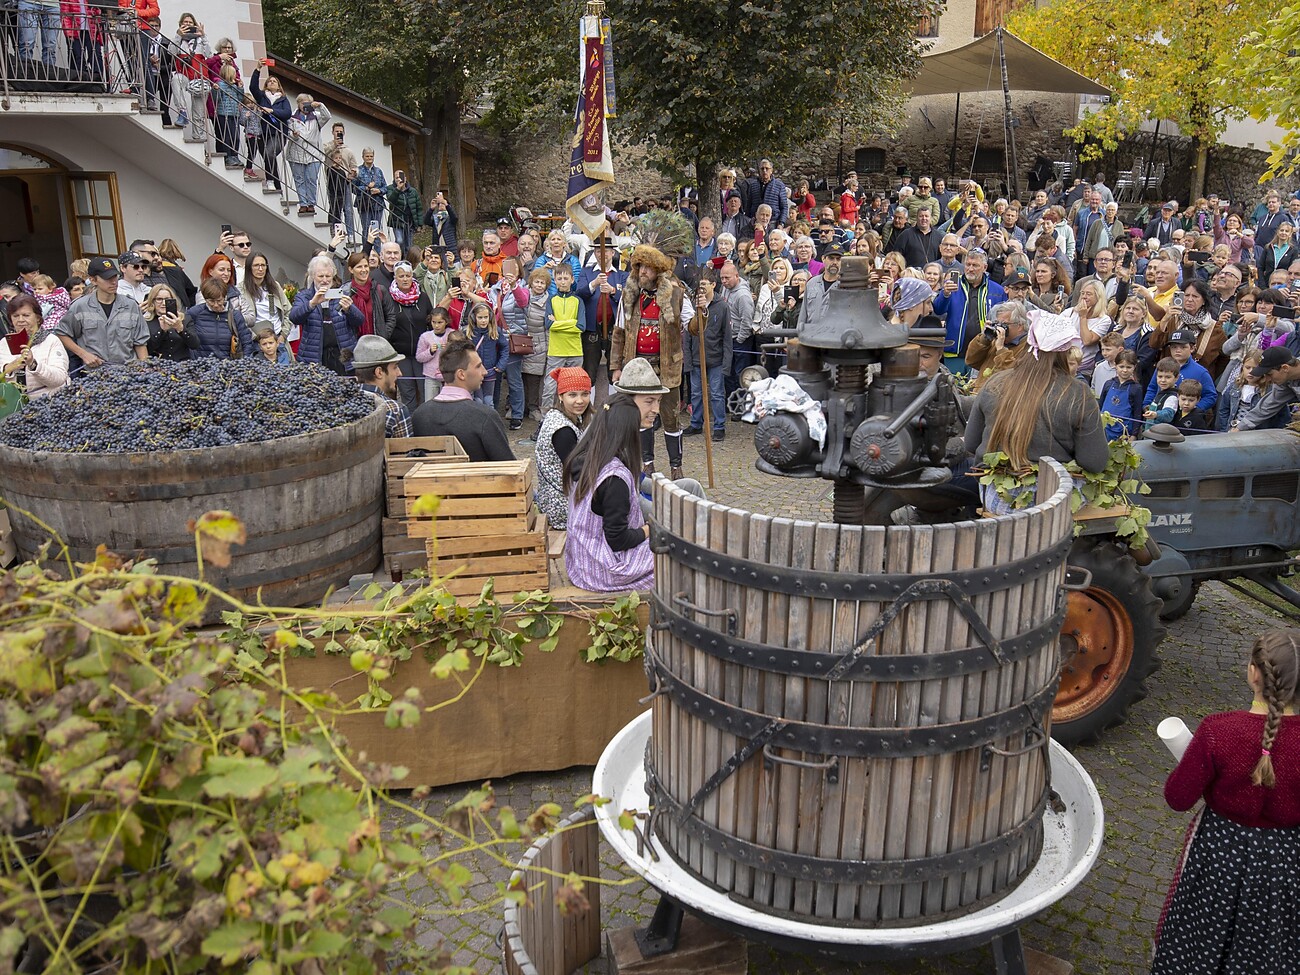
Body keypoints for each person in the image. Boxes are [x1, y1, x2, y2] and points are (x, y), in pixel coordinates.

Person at [1150, 629, 1300, 974]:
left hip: (1219, 853)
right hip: (1285, 861)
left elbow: (1178, 797)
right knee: (1269, 943)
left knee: (1199, 934)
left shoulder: (1219, 730)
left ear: (1253, 673)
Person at [964, 310, 1108, 515]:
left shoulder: (995, 383)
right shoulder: (1078, 393)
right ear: (1066, 351)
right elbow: (1095, 462)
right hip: (1054, 501)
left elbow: (971, 444)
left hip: (997, 498)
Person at [610, 245, 696, 480]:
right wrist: (616, 366)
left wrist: (702, 313)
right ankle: (647, 464)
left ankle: (676, 467)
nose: (642, 272)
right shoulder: (629, 295)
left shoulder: (676, 295)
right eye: (639, 266)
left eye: (648, 267)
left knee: (670, 418)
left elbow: (693, 327)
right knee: (642, 417)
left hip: (667, 368)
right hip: (638, 368)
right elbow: (619, 332)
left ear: (658, 270)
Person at [562, 395, 656, 592]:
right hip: (604, 570)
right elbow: (618, 539)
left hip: (582, 562)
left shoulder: (585, 458)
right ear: (627, 431)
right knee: (676, 556)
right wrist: (650, 529)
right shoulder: (614, 478)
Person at [411, 335, 515, 461]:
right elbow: (509, 465)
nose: (485, 371)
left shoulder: (419, 415)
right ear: (461, 374)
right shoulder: (484, 416)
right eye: (478, 366)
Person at [55, 257, 149, 367]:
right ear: (93, 280)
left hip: (127, 370)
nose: (114, 282)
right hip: (95, 372)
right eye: (107, 278)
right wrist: (84, 355)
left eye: (115, 276)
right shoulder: (80, 306)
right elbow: (62, 333)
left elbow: (140, 342)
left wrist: (145, 368)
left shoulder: (131, 305)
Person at [535, 366, 594, 530]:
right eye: (572, 395)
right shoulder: (563, 431)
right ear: (561, 396)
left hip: (559, 497)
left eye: (585, 394)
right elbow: (579, 472)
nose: (580, 400)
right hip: (562, 506)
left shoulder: (559, 415)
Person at [933, 248, 1006, 374]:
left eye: (975, 265)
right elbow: (938, 310)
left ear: (984, 267)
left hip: (984, 353)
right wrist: (945, 294)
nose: (970, 269)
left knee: (978, 386)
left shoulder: (998, 290)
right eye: (968, 265)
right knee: (954, 385)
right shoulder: (952, 285)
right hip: (956, 353)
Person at [289, 254, 360, 373]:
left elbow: (359, 321)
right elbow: (294, 317)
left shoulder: (340, 294)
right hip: (314, 356)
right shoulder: (304, 296)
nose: (325, 280)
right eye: (320, 276)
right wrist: (312, 303)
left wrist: (349, 310)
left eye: (328, 276)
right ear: (312, 276)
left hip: (342, 357)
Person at [683, 276, 731, 441]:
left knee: (717, 394)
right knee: (696, 394)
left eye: (704, 283)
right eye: (699, 284)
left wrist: (726, 364)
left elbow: (727, 337)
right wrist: (688, 361)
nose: (701, 287)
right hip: (696, 358)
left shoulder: (722, 307)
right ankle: (696, 423)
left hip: (716, 359)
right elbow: (687, 336)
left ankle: (719, 426)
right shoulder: (692, 306)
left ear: (713, 285)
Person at [0, 295, 68, 399]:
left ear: (37, 318)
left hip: (49, 401)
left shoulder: (51, 341)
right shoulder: (4, 343)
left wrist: (33, 364)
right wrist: (7, 369)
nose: (20, 320)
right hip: (14, 404)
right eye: (15, 316)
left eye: (26, 315)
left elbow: (59, 379)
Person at [540, 263, 586, 410]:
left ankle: (573, 415)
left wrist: (558, 323)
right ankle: (546, 416)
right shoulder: (551, 300)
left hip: (575, 351)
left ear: (572, 279)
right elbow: (549, 325)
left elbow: (581, 326)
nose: (563, 282)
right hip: (556, 351)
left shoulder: (578, 301)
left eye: (566, 278)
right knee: (550, 387)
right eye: (559, 278)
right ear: (555, 280)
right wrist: (571, 323)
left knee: (574, 387)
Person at [352, 334, 412, 438]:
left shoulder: (340, 405)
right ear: (379, 372)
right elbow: (407, 449)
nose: (400, 373)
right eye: (395, 367)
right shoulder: (396, 410)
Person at [1147, 329, 1217, 412]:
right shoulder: (1163, 367)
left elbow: (1210, 396)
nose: (1177, 350)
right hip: (1159, 413)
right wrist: (1147, 405)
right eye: (1174, 347)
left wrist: (1195, 409)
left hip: (1185, 416)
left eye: (1183, 347)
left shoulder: (1200, 372)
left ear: (1192, 348)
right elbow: (1152, 388)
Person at [185, 277, 253, 359]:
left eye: (219, 300)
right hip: (201, 363)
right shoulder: (195, 313)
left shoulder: (235, 315)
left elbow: (246, 341)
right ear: (205, 298)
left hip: (228, 364)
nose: (216, 305)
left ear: (225, 297)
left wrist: (245, 361)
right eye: (211, 301)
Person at [249, 61, 291, 193]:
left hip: (278, 133)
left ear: (278, 86)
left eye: (274, 81)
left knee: (268, 154)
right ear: (266, 85)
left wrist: (271, 111)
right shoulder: (262, 96)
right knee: (269, 159)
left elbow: (287, 113)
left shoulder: (283, 99)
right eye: (269, 81)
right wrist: (258, 69)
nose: (272, 82)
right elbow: (253, 87)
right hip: (263, 133)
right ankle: (278, 188)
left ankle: (270, 181)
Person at [1235, 347, 1300, 431]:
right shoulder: (1285, 380)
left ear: (1285, 368)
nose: (1267, 379)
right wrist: (1239, 428)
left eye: (1269, 374)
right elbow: (1269, 404)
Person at [287, 94, 330, 216]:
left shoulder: (316, 116)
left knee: (311, 179)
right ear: (298, 104)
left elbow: (327, 116)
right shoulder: (292, 117)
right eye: (302, 103)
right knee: (299, 180)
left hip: (314, 154)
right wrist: (294, 135)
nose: (304, 106)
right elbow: (288, 132)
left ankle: (311, 203)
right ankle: (303, 204)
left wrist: (319, 105)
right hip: (296, 153)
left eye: (307, 103)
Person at [236, 252, 290, 341]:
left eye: (263, 265)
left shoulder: (275, 286)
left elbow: (288, 311)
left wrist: (283, 335)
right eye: (256, 265)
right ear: (249, 268)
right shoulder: (241, 289)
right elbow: (238, 319)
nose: (260, 269)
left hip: (278, 338)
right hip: (256, 340)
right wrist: (255, 338)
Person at [463, 300, 508, 407]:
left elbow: (505, 347)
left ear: (490, 317)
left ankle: (490, 418)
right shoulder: (468, 333)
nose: (483, 320)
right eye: (480, 317)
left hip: (490, 372)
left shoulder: (495, 331)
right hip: (474, 372)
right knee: (478, 401)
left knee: (489, 401)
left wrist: (501, 365)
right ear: (474, 318)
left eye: (486, 317)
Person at [143, 283, 196, 361]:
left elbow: (195, 345)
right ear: (152, 301)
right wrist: (162, 331)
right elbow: (148, 349)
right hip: (158, 364)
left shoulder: (185, 319)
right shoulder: (146, 322)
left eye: (167, 299)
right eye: (159, 299)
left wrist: (181, 329)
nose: (164, 303)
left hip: (183, 364)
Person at [1099, 349, 1143, 439]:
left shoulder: (1136, 388)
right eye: (1121, 366)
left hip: (1123, 433)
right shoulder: (1108, 384)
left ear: (1134, 367)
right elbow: (1100, 406)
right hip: (1104, 430)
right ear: (1115, 365)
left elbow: (1137, 413)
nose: (1125, 370)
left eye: (1129, 367)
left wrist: (1134, 435)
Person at [415, 307, 451, 401]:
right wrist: (430, 351)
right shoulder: (425, 337)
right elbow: (419, 357)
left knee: (447, 403)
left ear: (446, 321)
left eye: (440, 322)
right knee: (430, 402)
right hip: (431, 377)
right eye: (433, 322)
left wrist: (449, 349)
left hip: (448, 377)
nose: (436, 325)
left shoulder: (452, 334)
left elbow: (459, 354)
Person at [386, 170, 422, 256]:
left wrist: (419, 224)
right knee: (399, 241)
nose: (399, 179)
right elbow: (391, 200)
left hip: (409, 221)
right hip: (397, 221)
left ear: (405, 178)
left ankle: (407, 260)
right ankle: (399, 257)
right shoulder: (390, 188)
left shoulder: (412, 191)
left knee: (409, 245)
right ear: (394, 179)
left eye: (401, 177)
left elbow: (418, 207)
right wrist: (398, 189)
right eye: (396, 177)